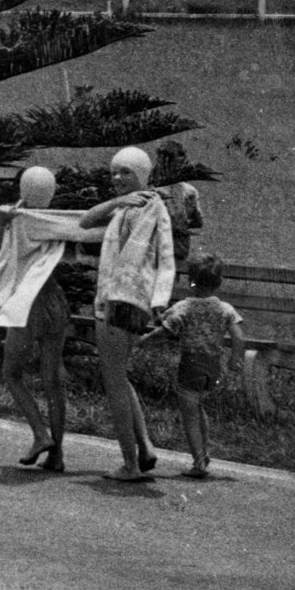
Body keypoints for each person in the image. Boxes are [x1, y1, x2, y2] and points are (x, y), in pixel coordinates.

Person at [0, 166, 95, 472]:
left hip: (28, 305)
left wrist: (1, 225)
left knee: (12, 373)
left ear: (23, 189)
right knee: (53, 379)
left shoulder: (18, 220)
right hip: (56, 302)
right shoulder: (56, 220)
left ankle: (40, 435)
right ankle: (58, 454)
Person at [79, 146, 178, 482]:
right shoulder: (133, 205)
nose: (118, 178)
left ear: (142, 174)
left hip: (122, 299)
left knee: (113, 381)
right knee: (119, 375)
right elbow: (86, 220)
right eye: (114, 172)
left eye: (126, 173)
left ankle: (130, 464)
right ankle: (146, 447)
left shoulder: (146, 207)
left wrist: (158, 298)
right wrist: (117, 202)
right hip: (128, 300)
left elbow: (162, 255)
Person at [142, 253, 245, 479]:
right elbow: (238, 336)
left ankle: (199, 463)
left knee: (189, 415)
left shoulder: (186, 306)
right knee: (199, 409)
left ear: (191, 281)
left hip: (191, 363)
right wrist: (236, 359)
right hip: (212, 365)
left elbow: (166, 330)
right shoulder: (225, 308)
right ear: (218, 282)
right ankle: (204, 453)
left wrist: (145, 341)